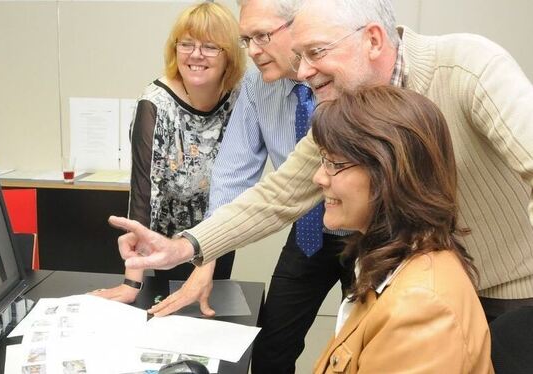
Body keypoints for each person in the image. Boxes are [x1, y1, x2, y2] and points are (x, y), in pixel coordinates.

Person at [110, 0, 533, 346]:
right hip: (422, 286)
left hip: (507, 290)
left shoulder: (467, 68)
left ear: (371, 39)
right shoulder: (342, 105)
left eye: (316, 52)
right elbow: (279, 194)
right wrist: (183, 247)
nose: (305, 71)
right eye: (300, 56)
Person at [147, 1, 353, 372]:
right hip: (309, 230)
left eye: (262, 36)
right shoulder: (257, 86)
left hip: (371, 234)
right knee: (273, 346)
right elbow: (232, 176)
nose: (254, 50)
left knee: (363, 348)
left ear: (299, 28)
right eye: (247, 39)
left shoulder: (341, 75)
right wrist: (203, 259)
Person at [310, 86, 491, 372]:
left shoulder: (420, 307)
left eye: (334, 163)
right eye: (323, 159)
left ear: (389, 174)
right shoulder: (387, 263)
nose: (318, 177)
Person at [90, 1, 245, 304]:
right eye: (186, 44)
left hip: (218, 235)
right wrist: (131, 283)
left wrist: (210, 253)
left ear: (229, 54)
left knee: (213, 317)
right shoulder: (155, 105)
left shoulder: (240, 98)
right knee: (170, 315)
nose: (196, 54)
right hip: (165, 242)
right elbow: (145, 195)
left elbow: (236, 182)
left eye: (210, 46)